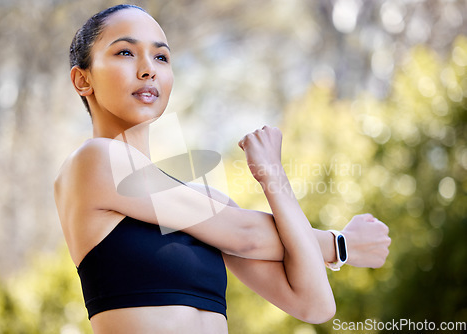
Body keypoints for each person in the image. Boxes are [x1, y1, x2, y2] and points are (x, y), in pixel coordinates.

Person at [54, 4, 391, 333]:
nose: (148, 69)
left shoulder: (206, 202)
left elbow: (314, 305)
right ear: (83, 79)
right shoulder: (93, 161)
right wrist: (340, 243)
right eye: (125, 52)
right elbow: (246, 236)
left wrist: (273, 175)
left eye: (161, 57)